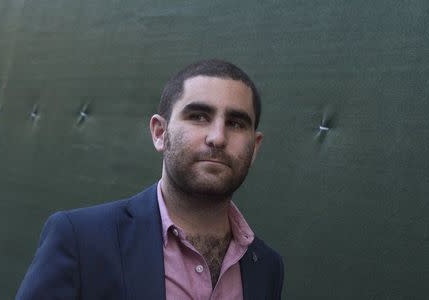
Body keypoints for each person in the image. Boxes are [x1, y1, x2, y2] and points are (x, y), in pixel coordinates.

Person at [16, 59, 284, 300]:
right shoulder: (81, 240)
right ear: (159, 133)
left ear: (255, 147)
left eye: (236, 123)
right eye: (199, 117)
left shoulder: (266, 267)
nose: (217, 137)